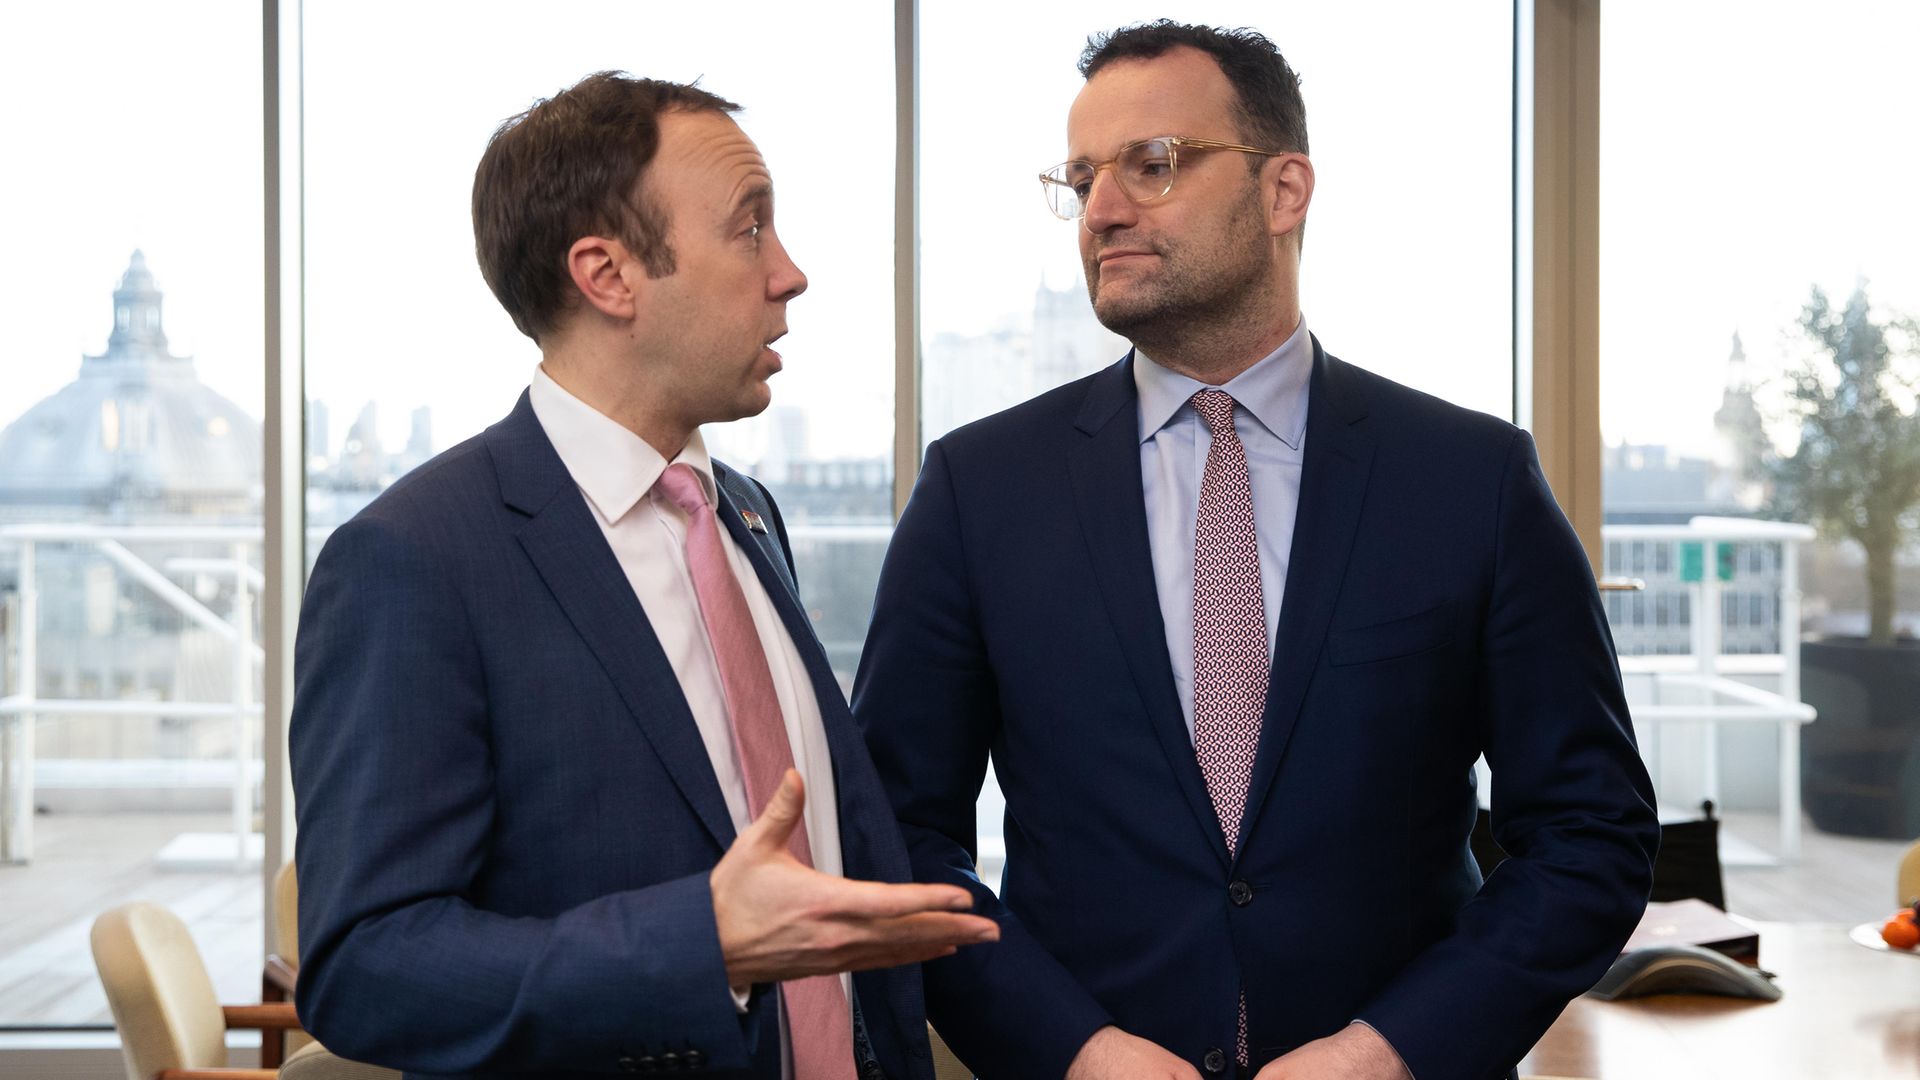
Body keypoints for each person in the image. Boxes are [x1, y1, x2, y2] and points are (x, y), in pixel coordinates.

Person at [853, 22, 1658, 1080]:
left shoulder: (1471, 480)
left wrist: (1396, 1050)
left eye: (1153, 164)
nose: (1101, 209)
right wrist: (1071, 1048)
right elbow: (894, 841)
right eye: (1083, 176)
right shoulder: (978, 489)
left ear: (1285, 191)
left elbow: (1591, 833)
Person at [290, 71, 997, 1080]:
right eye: (751, 229)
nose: (790, 273)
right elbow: (367, 968)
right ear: (608, 275)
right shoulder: (415, 560)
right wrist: (700, 944)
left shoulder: (746, 513)